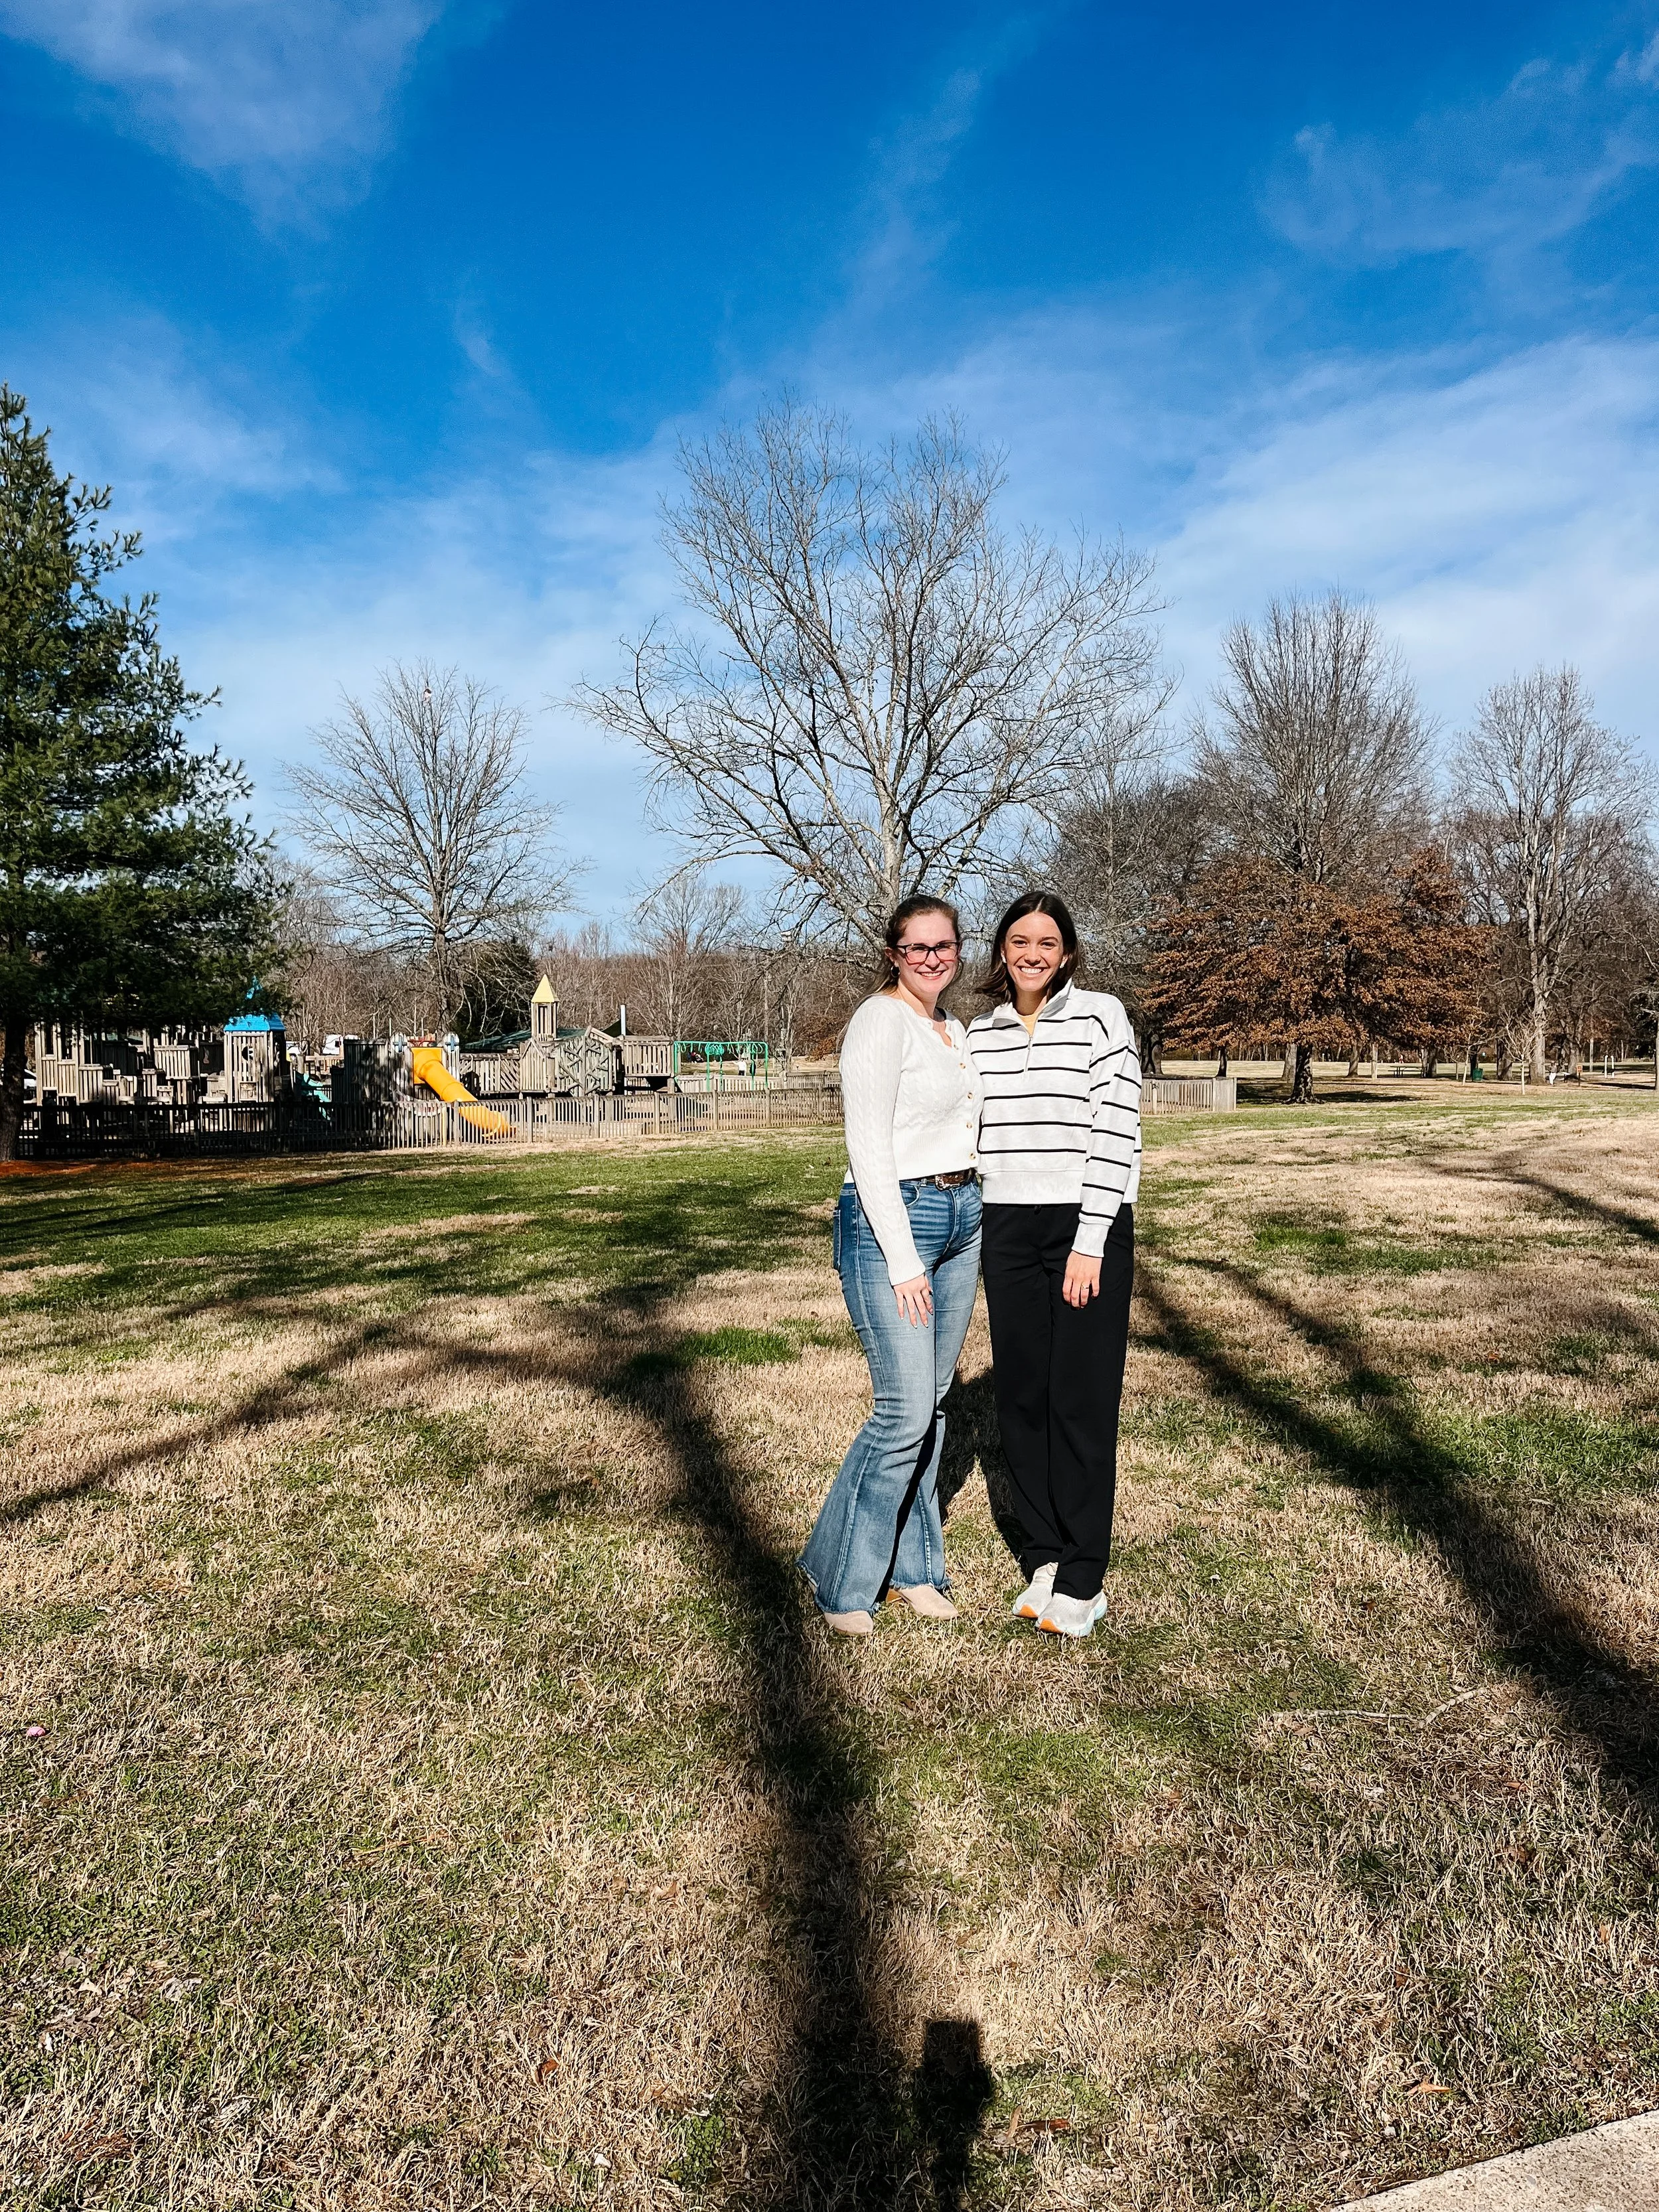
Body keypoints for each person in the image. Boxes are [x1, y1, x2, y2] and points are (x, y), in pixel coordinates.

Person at [799, 897, 983, 1637]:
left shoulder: (953, 1028)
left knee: (931, 1405)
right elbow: (867, 1145)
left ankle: (914, 1570)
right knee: (903, 1411)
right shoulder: (880, 1020)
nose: (933, 958)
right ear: (894, 954)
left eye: (944, 945)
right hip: (896, 1222)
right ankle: (842, 1579)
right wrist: (904, 1260)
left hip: (963, 1216)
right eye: (917, 947)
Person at [967, 892, 1140, 1640]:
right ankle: (1044, 1554)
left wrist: (1090, 1239)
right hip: (1005, 1225)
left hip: (1085, 1222)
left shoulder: (1102, 1016)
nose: (1031, 953)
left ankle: (1083, 1575)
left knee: (1080, 1399)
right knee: (1022, 1399)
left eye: (1046, 942)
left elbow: (1116, 1128)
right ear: (1001, 951)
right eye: (1018, 940)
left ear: (1066, 952)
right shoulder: (979, 1034)